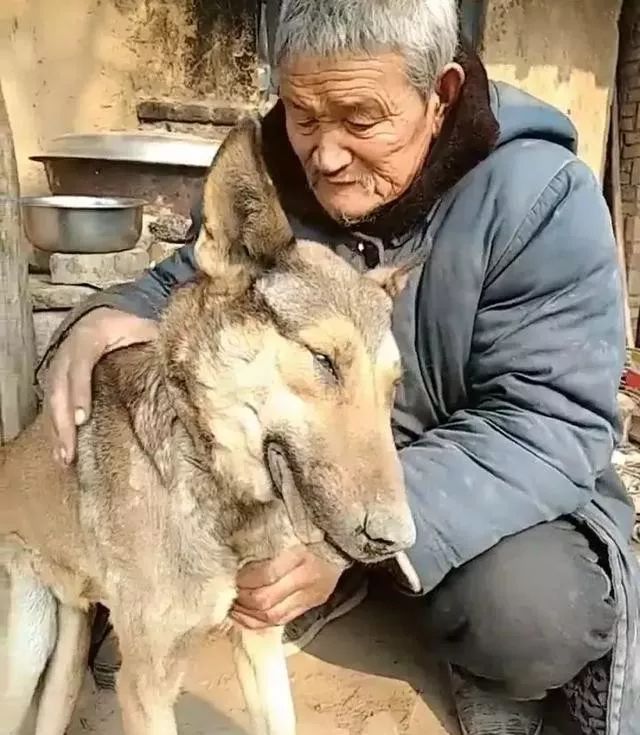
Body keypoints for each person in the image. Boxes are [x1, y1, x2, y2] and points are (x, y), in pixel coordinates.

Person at [38, 1, 640, 733]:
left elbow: (554, 421)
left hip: (475, 488)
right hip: (317, 477)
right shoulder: (276, 169)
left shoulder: (540, 199)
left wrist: (344, 540)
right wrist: (101, 314)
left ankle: (428, 618)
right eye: (303, 114)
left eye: (360, 121)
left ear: (440, 95)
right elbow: (191, 282)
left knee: (532, 616)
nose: (324, 155)